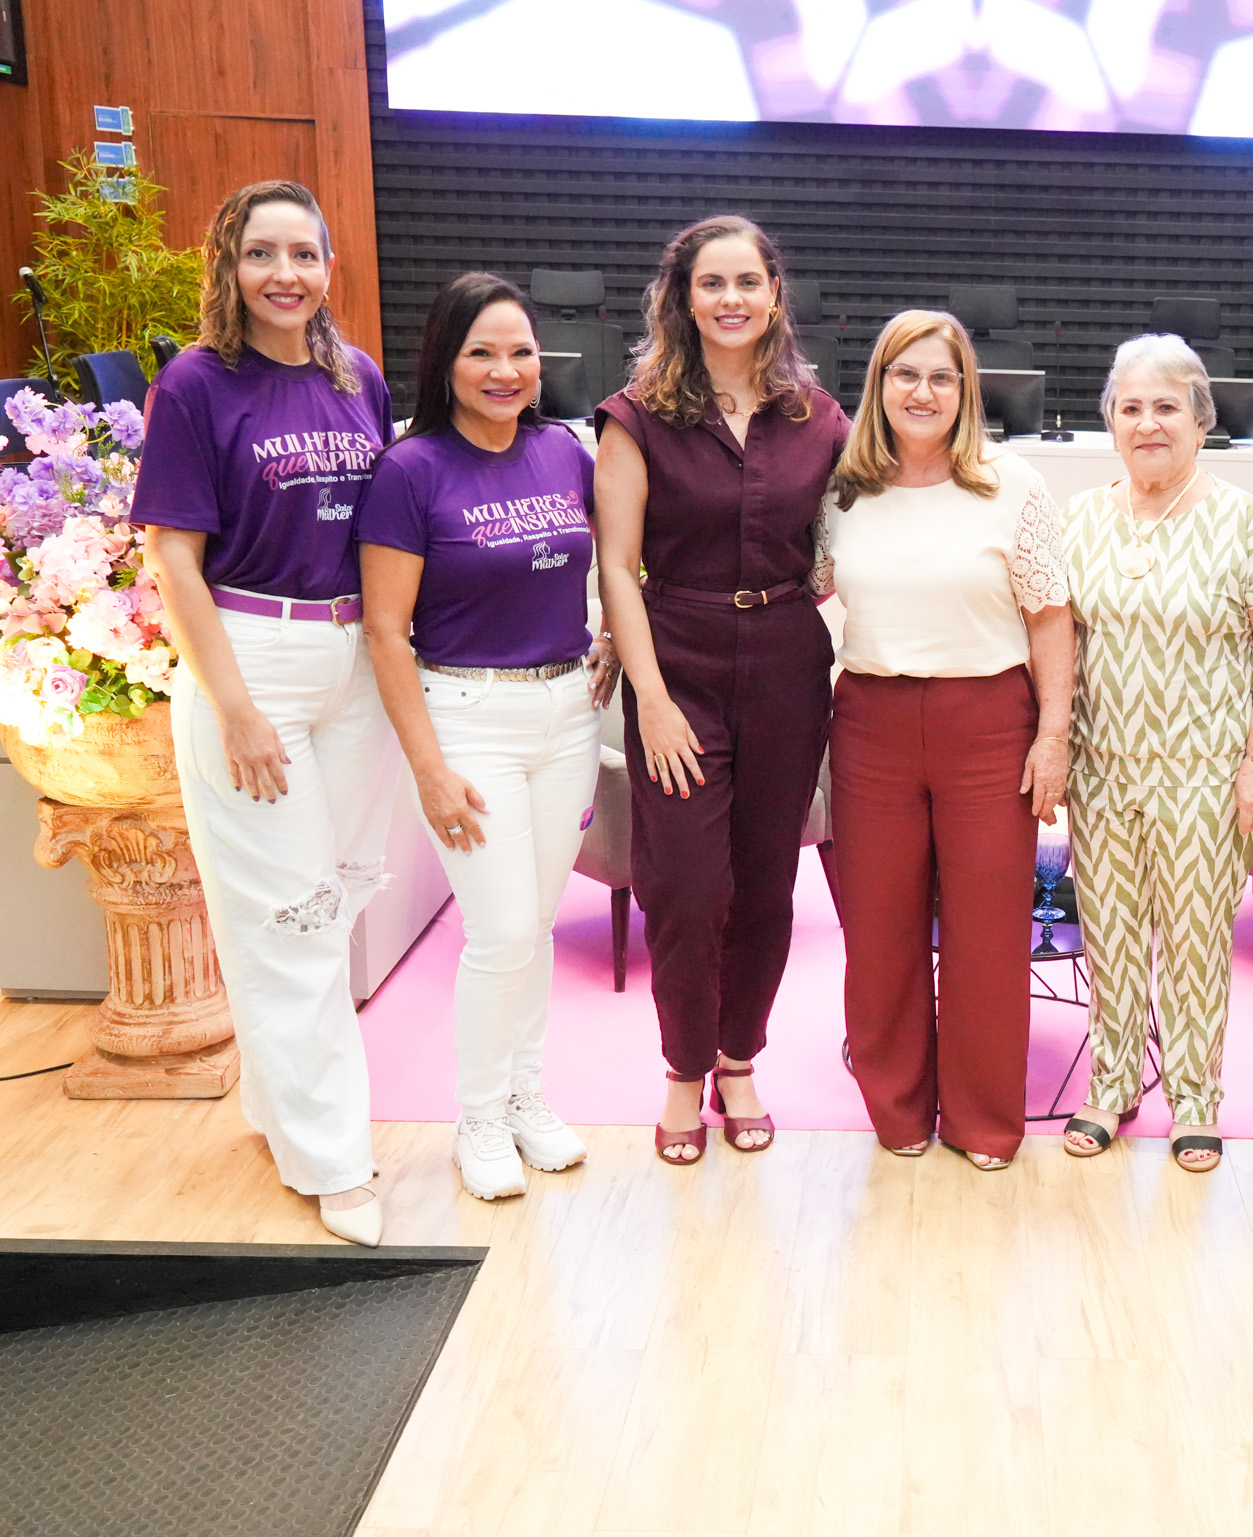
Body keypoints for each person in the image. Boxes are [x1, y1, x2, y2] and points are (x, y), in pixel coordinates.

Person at [135, 181, 398, 1246]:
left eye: (303, 253)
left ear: (329, 266)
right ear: (228, 265)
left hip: (354, 660)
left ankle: (275, 1103)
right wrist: (233, 704)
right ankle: (335, 1156)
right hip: (254, 658)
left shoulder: (357, 377)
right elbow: (173, 557)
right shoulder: (197, 384)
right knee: (288, 922)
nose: (284, 273)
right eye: (261, 253)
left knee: (329, 903)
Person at [592, 215, 849, 1165]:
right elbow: (618, 569)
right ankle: (683, 1070)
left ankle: (739, 1060)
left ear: (774, 296)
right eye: (712, 283)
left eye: (747, 282)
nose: (731, 299)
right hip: (679, 661)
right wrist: (652, 699)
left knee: (768, 884)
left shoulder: (819, 417)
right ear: (684, 298)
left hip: (786, 660)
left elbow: (851, 534)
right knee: (687, 887)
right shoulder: (635, 417)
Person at [359, 273, 613, 1201]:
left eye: (521, 352)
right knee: (500, 928)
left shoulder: (564, 452)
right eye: (482, 353)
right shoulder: (410, 470)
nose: (505, 371)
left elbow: (614, 563)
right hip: (468, 716)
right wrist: (427, 767)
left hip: (567, 710)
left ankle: (525, 1098)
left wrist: (615, 636)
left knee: (533, 925)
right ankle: (477, 1117)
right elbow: (386, 631)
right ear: (446, 362)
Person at [815, 310, 1073, 1171]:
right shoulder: (843, 490)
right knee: (879, 930)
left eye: (940, 376)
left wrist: (1053, 735)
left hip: (988, 723)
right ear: (879, 385)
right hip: (872, 724)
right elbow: (800, 589)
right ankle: (896, 1109)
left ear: (966, 390)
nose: (921, 391)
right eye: (904, 374)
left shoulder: (1012, 484)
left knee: (987, 933)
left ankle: (983, 1119)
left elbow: (1051, 617)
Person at [1061, 335, 1253, 1172]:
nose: (1147, 423)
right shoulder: (1081, 519)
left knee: (1197, 945)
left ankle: (1195, 1098)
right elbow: (1059, 642)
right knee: (1111, 936)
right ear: (1111, 423)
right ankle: (1112, 1083)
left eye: (1166, 407)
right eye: (1130, 408)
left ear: (1202, 419)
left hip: (1207, 772)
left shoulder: (1244, 520)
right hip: (1102, 767)